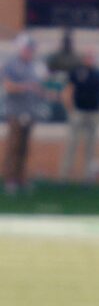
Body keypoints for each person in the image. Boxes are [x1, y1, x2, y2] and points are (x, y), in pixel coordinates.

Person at [59, 45, 99, 181]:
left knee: (91, 146)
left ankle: (88, 176)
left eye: (92, 57)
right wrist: (70, 108)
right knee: (72, 143)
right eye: (88, 57)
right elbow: (68, 90)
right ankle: (64, 174)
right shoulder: (77, 72)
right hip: (79, 111)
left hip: (93, 113)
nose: (90, 59)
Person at [3, 34, 47, 196]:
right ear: (21, 49)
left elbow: (42, 87)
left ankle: (21, 178)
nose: (30, 52)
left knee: (25, 148)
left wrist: (43, 89)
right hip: (16, 112)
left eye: (32, 50)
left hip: (30, 111)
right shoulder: (11, 65)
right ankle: (10, 179)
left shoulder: (36, 66)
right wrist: (26, 86)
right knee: (13, 147)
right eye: (28, 49)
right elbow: (8, 86)